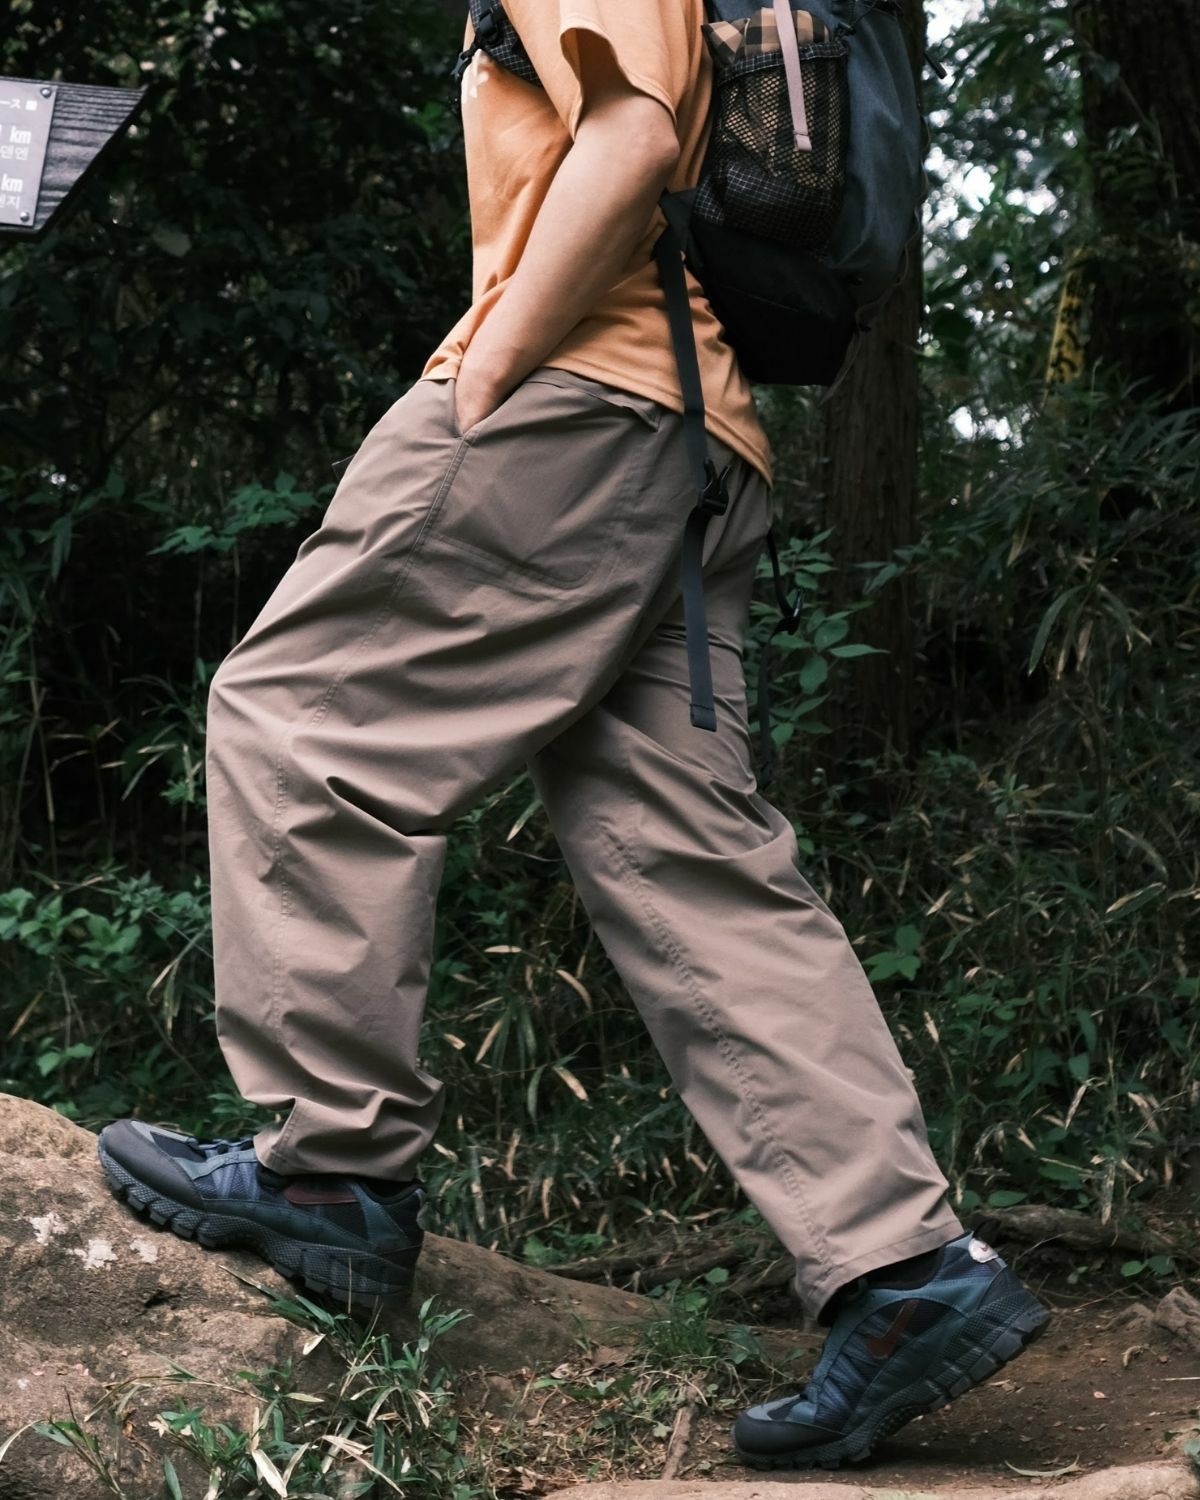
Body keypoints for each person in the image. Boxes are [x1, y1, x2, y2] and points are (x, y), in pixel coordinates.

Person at [98, 0, 1051, 1469]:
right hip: (692, 441)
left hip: (573, 403)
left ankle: (331, 1170)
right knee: (685, 856)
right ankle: (903, 1268)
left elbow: (629, 137)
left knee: (299, 722)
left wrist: (487, 374)